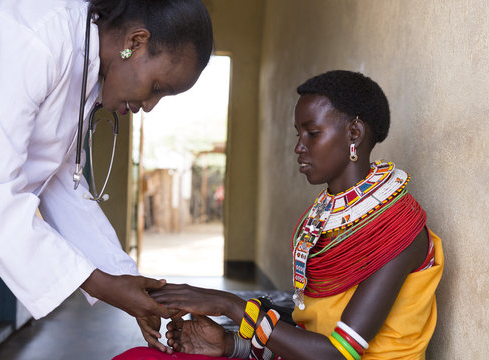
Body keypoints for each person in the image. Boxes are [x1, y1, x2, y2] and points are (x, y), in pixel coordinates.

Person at [116, 70, 444, 360]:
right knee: (136, 356)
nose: (299, 147)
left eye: (312, 133)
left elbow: (337, 353)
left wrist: (231, 305)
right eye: (297, 134)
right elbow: (310, 332)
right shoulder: (328, 216)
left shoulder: (397, 228)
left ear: (354, 134)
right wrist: (230, 344)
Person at [0, 0, 213, 358]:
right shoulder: (39, 36)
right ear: (137, 41)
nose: (150, 106)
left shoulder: (87, 66)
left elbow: (62, 181)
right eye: (159, 86)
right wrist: (101, 284)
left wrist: (125, 279)